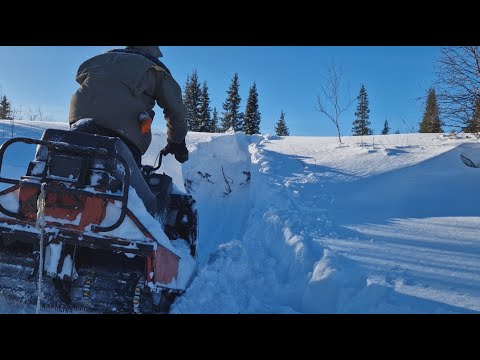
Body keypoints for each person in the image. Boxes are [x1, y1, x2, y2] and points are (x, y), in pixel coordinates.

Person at [69, 46, 189, 166]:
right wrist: (177, 142)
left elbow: (80, 73)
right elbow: (176, 110)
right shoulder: (155, 70)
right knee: (123, 176)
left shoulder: (100, 59)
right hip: (124, 135)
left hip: (80, 124)